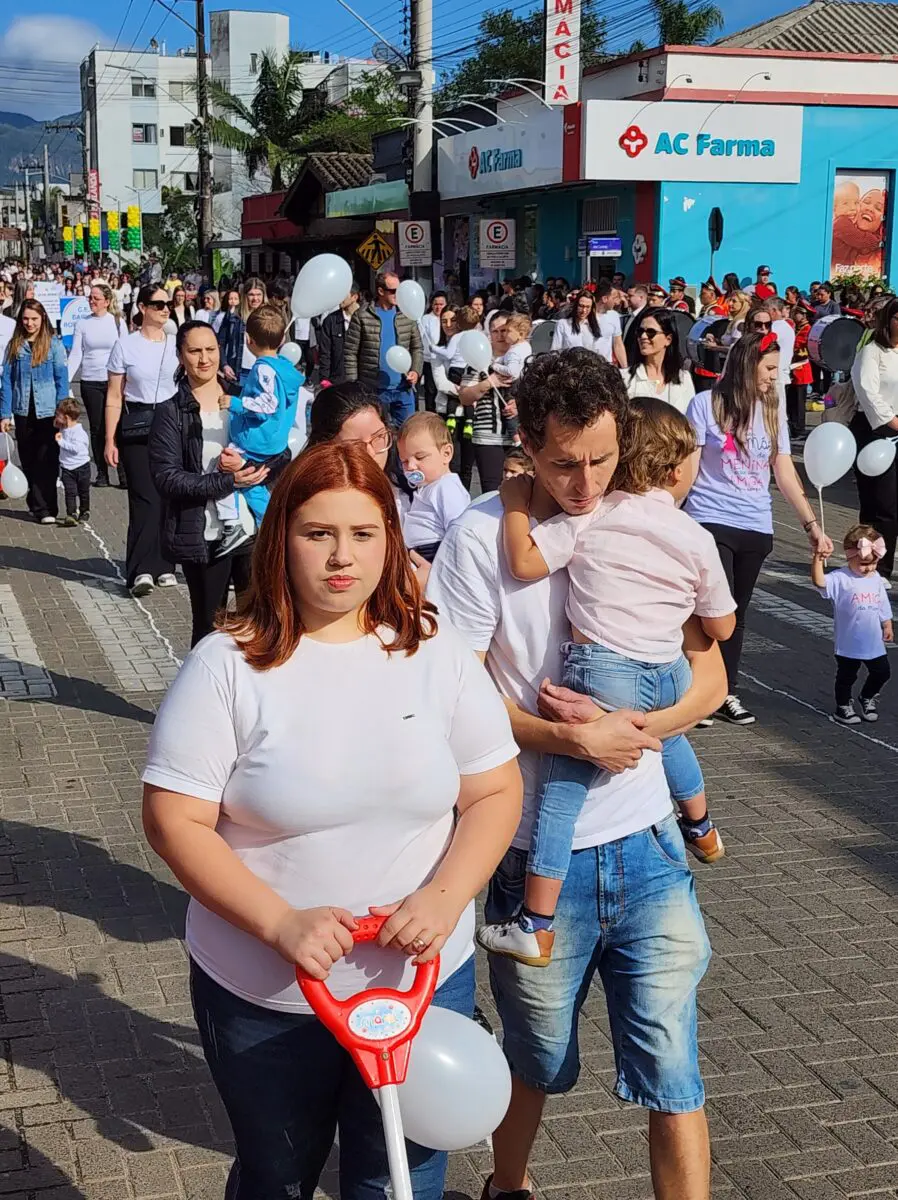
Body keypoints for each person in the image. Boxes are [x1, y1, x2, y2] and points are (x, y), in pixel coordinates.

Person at [141, 441, 522, 1200]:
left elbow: (494, 792)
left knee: (397, 1182)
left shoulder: (434, 651)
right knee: (278, 1179)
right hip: (267, 997)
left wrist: (445, 898)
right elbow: (173, 821)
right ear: (280, 537)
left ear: (391, 537)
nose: (341, 557)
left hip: (421, 986)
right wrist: (280, 923)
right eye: (318, 533)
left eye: (363, 533)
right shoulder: (227, 665)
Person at [427, 347, 725, 1200]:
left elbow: (711, 678)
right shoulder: (483, 536)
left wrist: (638, 730)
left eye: (601, 457)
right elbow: (455, 705)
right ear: (524, 441)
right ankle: (506, 1186)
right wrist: (572, 742)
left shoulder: (642, 518)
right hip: (531, 857)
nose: (587, 483)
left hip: (648, 847)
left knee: (675, 1070)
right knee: (536, 1061)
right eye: (563, 464)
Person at [479, 395, 735, 961]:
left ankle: (536, 922)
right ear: (676, 469)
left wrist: (515, 499)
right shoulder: (695, 535)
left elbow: (524, 563)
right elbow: (721, 624)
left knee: (559, 796)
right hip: (667, 672)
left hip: (603, 675)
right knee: (668, 737)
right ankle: (702, 826)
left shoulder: (595, 517)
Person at [685, 332, 833, 724]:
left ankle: (724, 692)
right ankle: (697, 691)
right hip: (710, 517)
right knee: (711, 609)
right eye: (769, 369)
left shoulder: (771, 410)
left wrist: (812, 525)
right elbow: (689, 465)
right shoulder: (705, 404)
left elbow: (783, 471)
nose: (774, 377)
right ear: (747, 364)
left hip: (755, 523)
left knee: (737, 612)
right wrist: (666, 510)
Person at [149, 321, 271, 647]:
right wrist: (226, 481)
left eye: (210, 349)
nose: (204, 359)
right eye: (195, 351)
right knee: (209, 628)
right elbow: (167, 478)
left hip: (251, 531)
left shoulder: (245, 400)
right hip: (204, 537)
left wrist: (260, 468)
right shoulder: (170, 412)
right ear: (180, 356)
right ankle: (201, 695)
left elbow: (278, 448)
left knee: (257, 625)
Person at [105, 285, 180, 598]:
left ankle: (165, 565)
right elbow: (113, 396)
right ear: (143, 308)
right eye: (158, 304)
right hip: (136, 424)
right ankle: (139, 569)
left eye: (168, 304)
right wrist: (109, 439)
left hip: (172, 424)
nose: (165, 309)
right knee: (144, 497)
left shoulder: (178, 345)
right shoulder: (126, 345)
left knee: (169, 496)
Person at [214, 304, 301, 554]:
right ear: (282, 338)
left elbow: (268, 404)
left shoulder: (263, 368)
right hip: (273, 440)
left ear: (248, 340)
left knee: (228, 472)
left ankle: (243, 524)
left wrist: (236, 403)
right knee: (251, 479)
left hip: (255, 439)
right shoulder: (285, 367)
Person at [812, 523, 893, 725]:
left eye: (873, 564)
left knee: (882, 672)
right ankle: (843, 705)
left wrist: (887, 623)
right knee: (847, 676)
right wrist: (817, 559)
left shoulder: (875, 578)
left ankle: (867, 696)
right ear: (850, 557)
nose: (869, 568)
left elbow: (882, 602)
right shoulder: (841, 578)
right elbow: (820, 582)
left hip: (873, 641)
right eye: (864, 564)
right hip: (849, 642)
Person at [0, 300, 69, 523]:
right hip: (22, 410)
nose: (30, 323)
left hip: (48, 411)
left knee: (47, 458)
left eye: (34, 319)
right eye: (26, 319)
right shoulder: (15, 345)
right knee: (28, 458)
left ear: (43, 319)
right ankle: (35, 501)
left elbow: (62, 380)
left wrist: (63, 412)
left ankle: (46, 509)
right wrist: (4, 413)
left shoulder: (54, 345)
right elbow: (7, 382)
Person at [850, 295, 898, 577]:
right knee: (880, 504)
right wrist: (891, 421)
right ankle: (876, 567)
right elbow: (867, 390)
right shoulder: (872, 351)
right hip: (875, 430)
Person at [66, 282, 126, 487]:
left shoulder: (117, 322)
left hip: (114, 380)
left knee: (118, 426)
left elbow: (126, 351)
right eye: (90, 298)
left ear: (107, 302)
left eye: (96, 298)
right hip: (91, 380)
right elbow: (76, 353)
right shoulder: (82, 324)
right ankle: (102, 473)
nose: (92, 301)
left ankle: (123, 472)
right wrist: (65, 380)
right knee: (97, 428)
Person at [344, 271, 422, 426]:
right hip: (373, 390)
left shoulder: (407, 314)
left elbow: (417, 347)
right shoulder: (362, 316)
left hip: (403, 389)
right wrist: (353, 385)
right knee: (376, 436)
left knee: (407, 434)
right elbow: (350, 353)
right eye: (394, 291)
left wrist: (416, 370)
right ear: (380, 291)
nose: (398, 295)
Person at [398, 412, 469, 562]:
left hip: (434, 552)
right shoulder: (427, 486)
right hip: (418, 552)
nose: (410, 466)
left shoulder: (446, 487)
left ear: (446, 453)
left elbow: (458, 529)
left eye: (420, 457)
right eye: (404, 461)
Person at [457, 315, 517, 495]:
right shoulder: (478, 359)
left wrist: (519, 405)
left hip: (520, 437)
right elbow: (465, 397)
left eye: (504, 330)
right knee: (492, 493)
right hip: (487, 437)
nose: (500, 335)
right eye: (495, 331)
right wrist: (488, 383)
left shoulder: (521, 359)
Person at [623, 308, 695, 413]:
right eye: (640, 331)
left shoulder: (684, 379)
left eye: (651, 332)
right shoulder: (625, 378)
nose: (643, 336)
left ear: (668, 339)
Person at [53, 397, 91, 526]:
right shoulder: (63, 428)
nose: (56, 416)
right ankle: (71, 514)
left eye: (58, 415)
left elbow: (76, 449)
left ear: (67, 417)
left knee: (83, 491)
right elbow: (56, 424)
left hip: (82, 467)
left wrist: (61, 442)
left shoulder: (79, 433)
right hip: (67, 468)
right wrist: (57, 423)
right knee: (70, 492)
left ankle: (85, 510)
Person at [317, 281, 361, 387]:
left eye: (343, 295)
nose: (339, 298)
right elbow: (325, 353)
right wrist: (324, 378)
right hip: (337, 379)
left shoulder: (365, 318)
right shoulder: (330, 321)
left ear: (354, 297)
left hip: (361, 379)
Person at [787, 302, 814, 440]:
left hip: (801, 369)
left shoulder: (808, 329)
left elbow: (805, 350)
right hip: (793, 369)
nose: (794, 315)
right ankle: (793, 427)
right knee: (791, 401)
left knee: (798, 403)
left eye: (797, 313)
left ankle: (799, 429)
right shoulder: (796, 328)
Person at [216, 289, 245, 382]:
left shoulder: (243, 318)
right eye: (230, 299)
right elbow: (221, 342)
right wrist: (224, 364)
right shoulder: (225, 318)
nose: (233, 301)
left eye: (236, 299)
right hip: (234, 363)